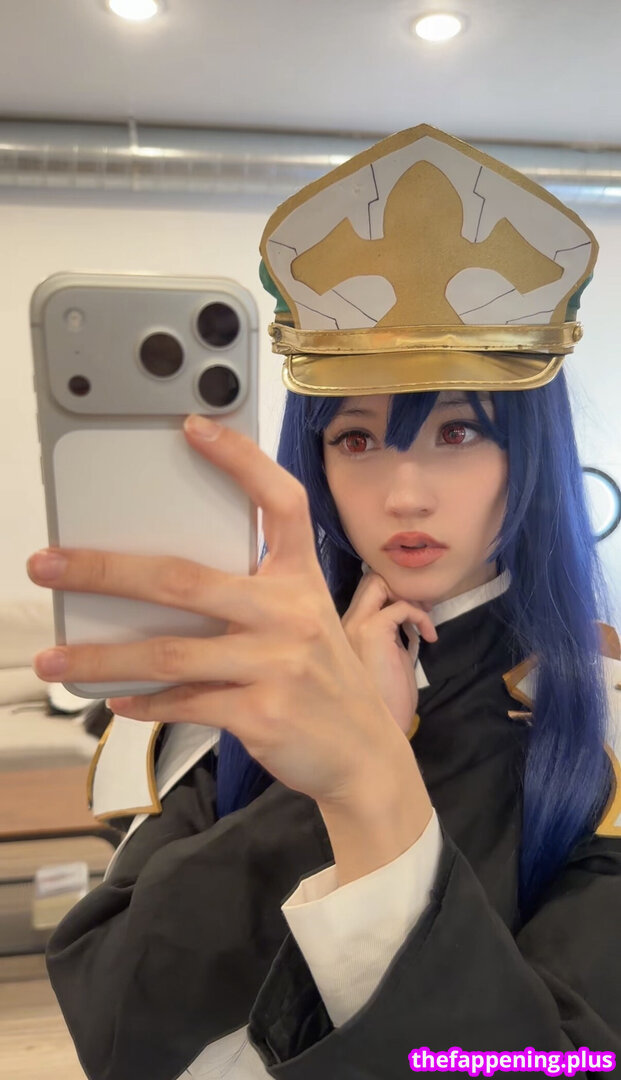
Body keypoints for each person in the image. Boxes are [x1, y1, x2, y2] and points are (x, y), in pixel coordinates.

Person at [29, 124, 621, 1080]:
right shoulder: (220, 709)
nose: (404, 495)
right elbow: (123, 1030)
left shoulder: (599, 729)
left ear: (532, 456)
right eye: (355, 439)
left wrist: (364, 768)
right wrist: (317, 769)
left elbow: (557, 1063)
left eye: (459, 431)